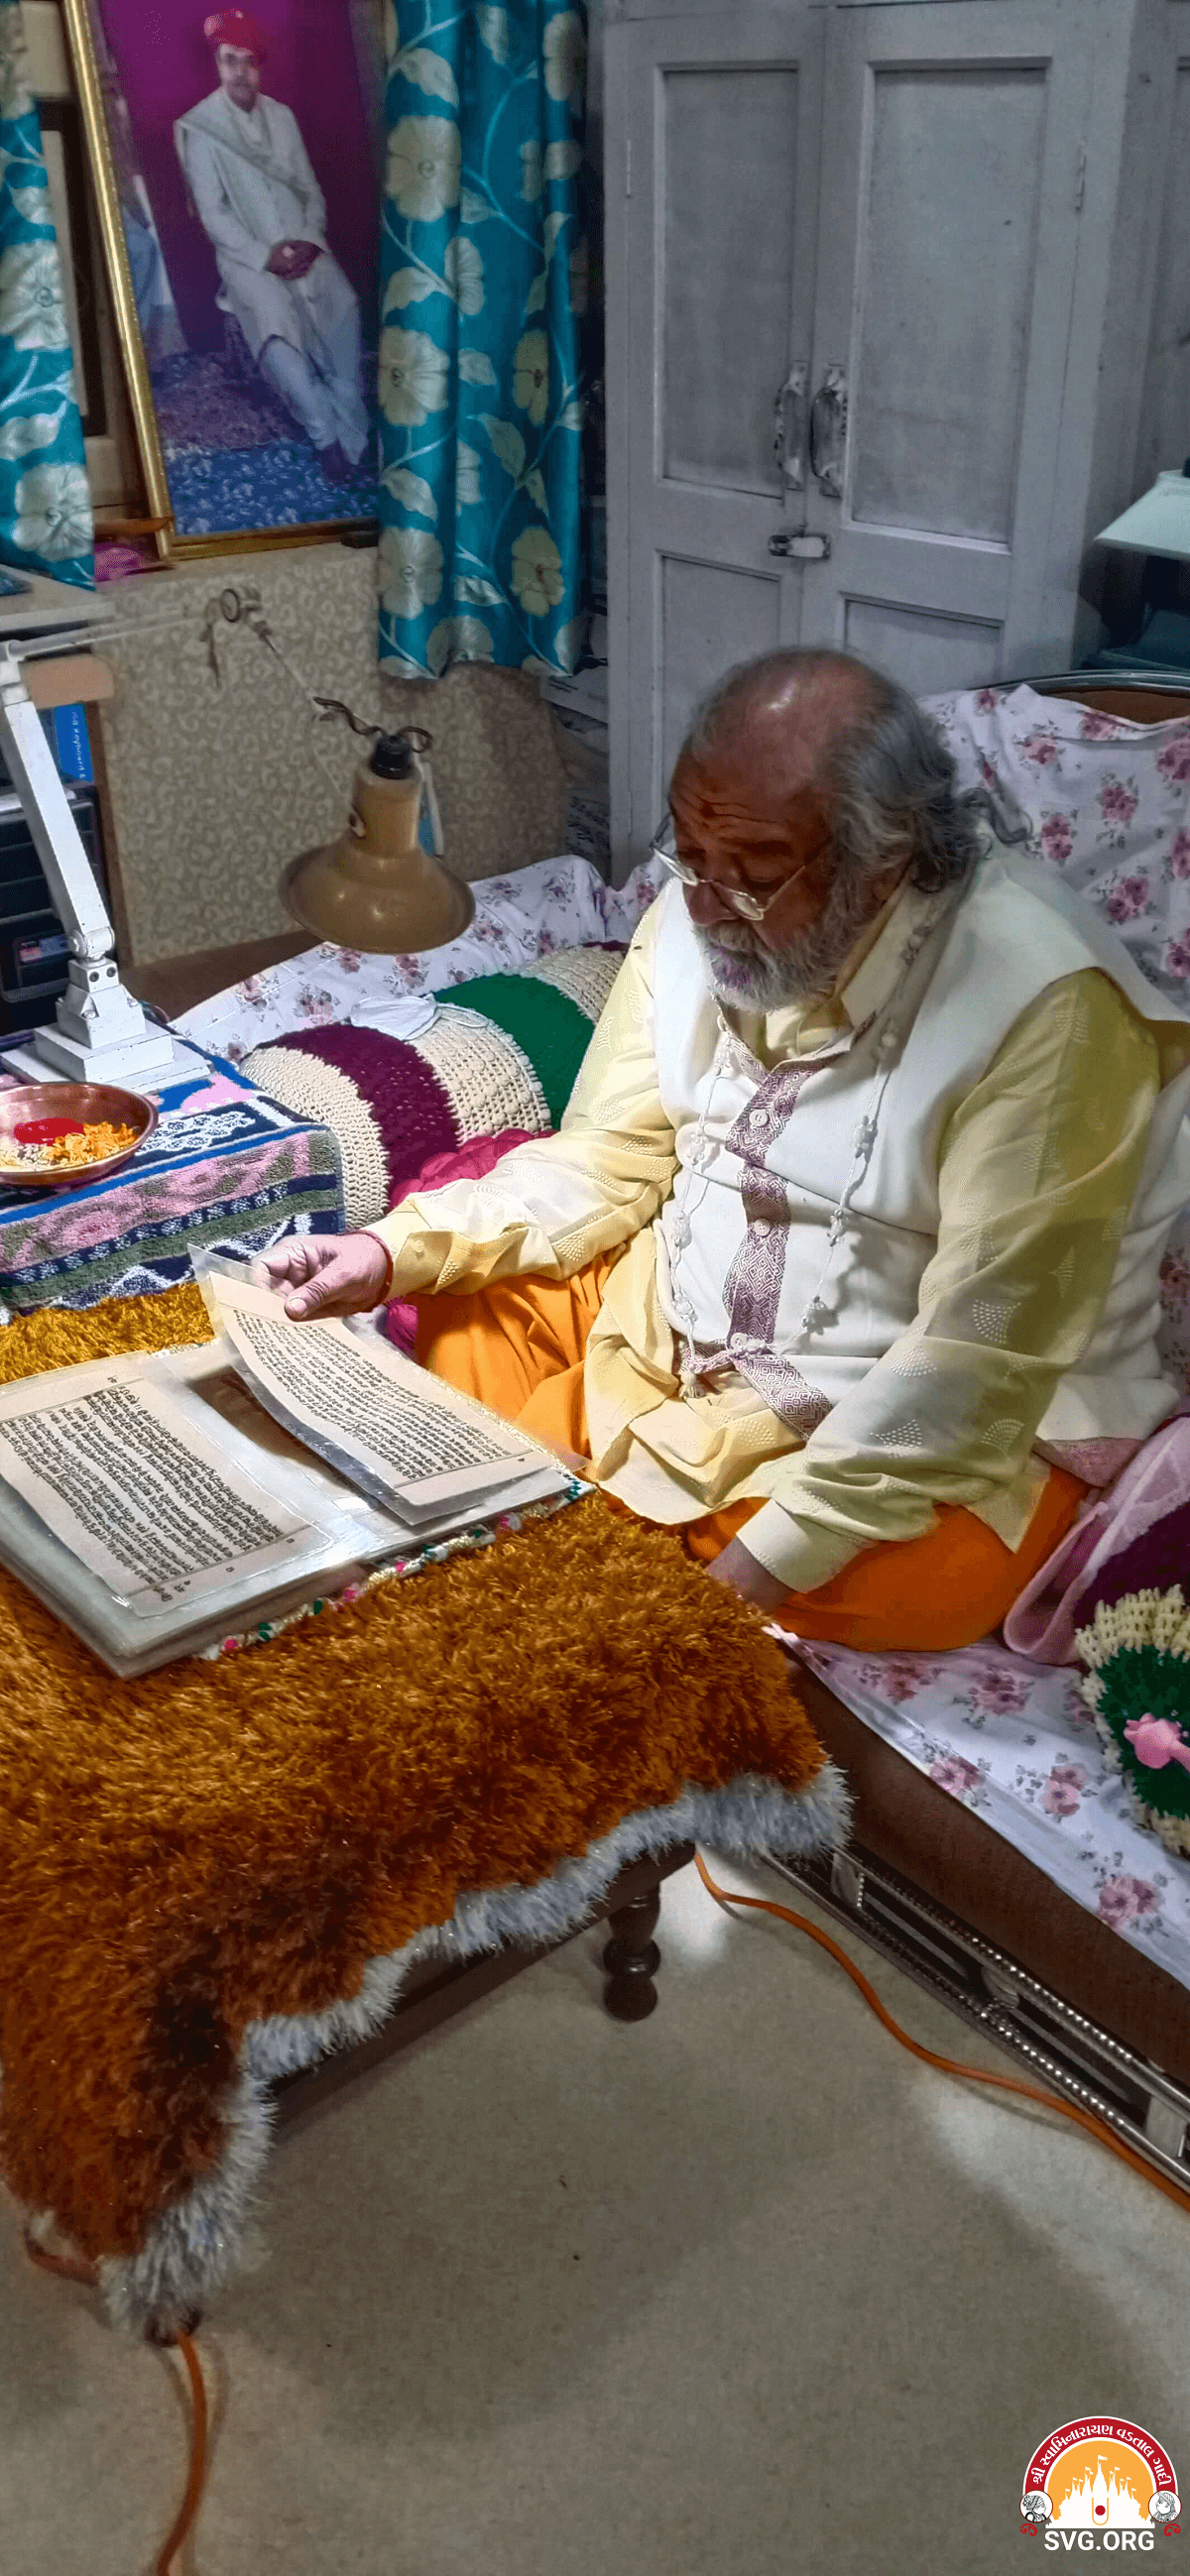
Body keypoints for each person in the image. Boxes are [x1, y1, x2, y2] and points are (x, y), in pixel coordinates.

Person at [260, 648, 1190, 1651]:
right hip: (669, 1320)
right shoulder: (699, 904)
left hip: (902, 1392)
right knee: (462, 1294)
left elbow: (978, 1354)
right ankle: (584, 1498)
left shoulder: (1049, 1009)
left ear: (887, 863)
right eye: (690, 856)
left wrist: (747, 1579)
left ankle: (572, 1502)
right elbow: (609, 1157)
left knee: (906, 1579)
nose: (702, 905)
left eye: (751, 877)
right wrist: (386, 1251)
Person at [176, 7, 369, 484]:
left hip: (303, 246)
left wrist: (309, 240)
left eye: (249, 61)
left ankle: (352, 422)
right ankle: (325, 435)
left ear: (259, 66)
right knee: (275, 330)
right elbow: (213, 214)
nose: (240, 72)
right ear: (217, 64)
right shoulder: (199, 127)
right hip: (248, 259)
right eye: (230, 60)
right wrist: (267, 256)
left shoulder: (282, 117)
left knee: (342, 306)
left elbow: (309, 188)